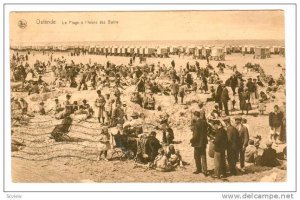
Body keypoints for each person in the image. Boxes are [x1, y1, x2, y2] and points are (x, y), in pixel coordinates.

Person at [190, 111, 209, 176]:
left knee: (196, 156)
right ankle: (205, 170)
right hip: (203, 142)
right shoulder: (204, 122)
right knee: (203, 156)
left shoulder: (196, 124)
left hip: (197, 143)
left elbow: (195, 135)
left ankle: (199, 169)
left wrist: (191, 140)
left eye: (193, 116)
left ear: (195, 116)